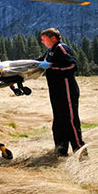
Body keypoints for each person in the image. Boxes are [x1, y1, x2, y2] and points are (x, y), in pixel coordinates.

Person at [36, 28, 85, 157]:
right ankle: (61, 150)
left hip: (66, 89)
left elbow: (72, 66)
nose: (42, 41)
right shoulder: (50, 50)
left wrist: (51, 66)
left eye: (44, 38)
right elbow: (38, 61)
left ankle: (80, 152)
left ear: (53, 38)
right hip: (56, 91)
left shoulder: (61, 48)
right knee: (58, 121)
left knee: (70, 120)